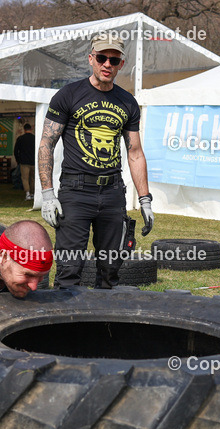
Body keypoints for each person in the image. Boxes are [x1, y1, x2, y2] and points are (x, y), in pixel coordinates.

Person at [39, 32, 154, 289]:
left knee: (110, 271)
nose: (107, 65)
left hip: (113, 192)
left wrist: (145, 199)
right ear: (91, 58)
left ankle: (105, 328)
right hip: (76, 191)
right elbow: (47, 142)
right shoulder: (68, 95)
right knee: (69, 270)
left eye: (113, 60)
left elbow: (134, 152)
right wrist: (47, 194)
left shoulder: (128, 102)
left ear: (121, 64)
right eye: (102, 58)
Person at [14, 122, 35, 201]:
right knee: (33, 178)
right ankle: (33, 193)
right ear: (31, 129)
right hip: (33, 162)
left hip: (24, 162)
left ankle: (27, 194)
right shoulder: (35, 138)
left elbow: (16, 151)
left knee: (25, 179)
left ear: (24, 129)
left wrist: (18, 160)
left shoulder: (20, 138)